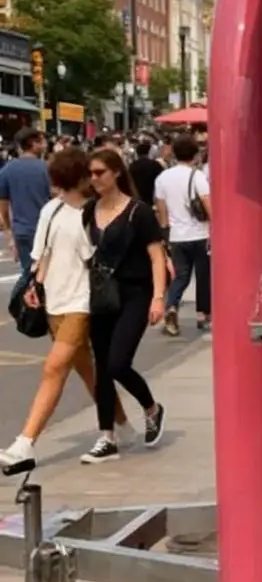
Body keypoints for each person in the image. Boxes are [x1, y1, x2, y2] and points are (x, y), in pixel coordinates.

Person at [0, 150, 133, 474]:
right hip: (54, 303)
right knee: (88, 371)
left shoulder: (94, 214)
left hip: (81, 303)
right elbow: (41, 255)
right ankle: (122, 424)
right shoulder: (52, 209)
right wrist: (36, 286)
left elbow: (100, 263)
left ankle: (25, 443)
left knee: (54, 368)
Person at [81, 148, 168, 464]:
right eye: (91, 173)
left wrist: (158, 297)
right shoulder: (89, 210)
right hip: (103, 295)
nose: (94, 179)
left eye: (100, 172)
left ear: (116, 172)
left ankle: (151, 408)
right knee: (102, 369)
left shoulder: (138, 212)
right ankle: (107, 437)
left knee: (118, 363)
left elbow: (156, 255)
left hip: (135, 294)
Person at [154, 133, 211, 335]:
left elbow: (161, 210)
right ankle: (203, 315)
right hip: (200, 233)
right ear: (195, 154)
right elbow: (207, 204)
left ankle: (172, 306)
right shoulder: (197, 176)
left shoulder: (162, 178)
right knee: (203, 275)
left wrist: (165, 234)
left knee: (181, 275)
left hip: (176, 236)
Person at [0, 127, 52, 281]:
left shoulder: (7, 170)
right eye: (42, 141)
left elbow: (3, 209)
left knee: (27, 273)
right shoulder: (47, 169)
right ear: (33, 143)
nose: (46, 144)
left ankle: (23, 302)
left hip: (21, 231)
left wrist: (10, 235)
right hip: (46, 230)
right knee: (46, 274)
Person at [129, 140, 164, 206]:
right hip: (152, 197)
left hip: (138, 198)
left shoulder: (132, 166)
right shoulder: (154, 164)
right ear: (148, 152)